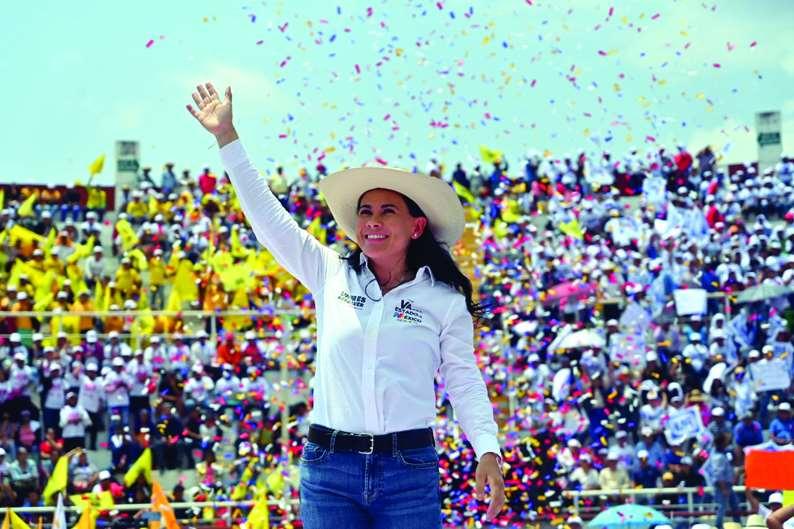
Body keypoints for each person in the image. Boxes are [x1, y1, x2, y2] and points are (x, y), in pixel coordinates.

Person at [187, 81, 504, 528]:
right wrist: (227, 138)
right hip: (329, 469)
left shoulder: (444, 299)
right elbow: (268, 219)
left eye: (387, 211)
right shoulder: (329, 272)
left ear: (416, 226)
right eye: (365, 211)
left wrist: (487, 448)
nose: (372, 221)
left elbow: (463, 380)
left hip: (409, 470)